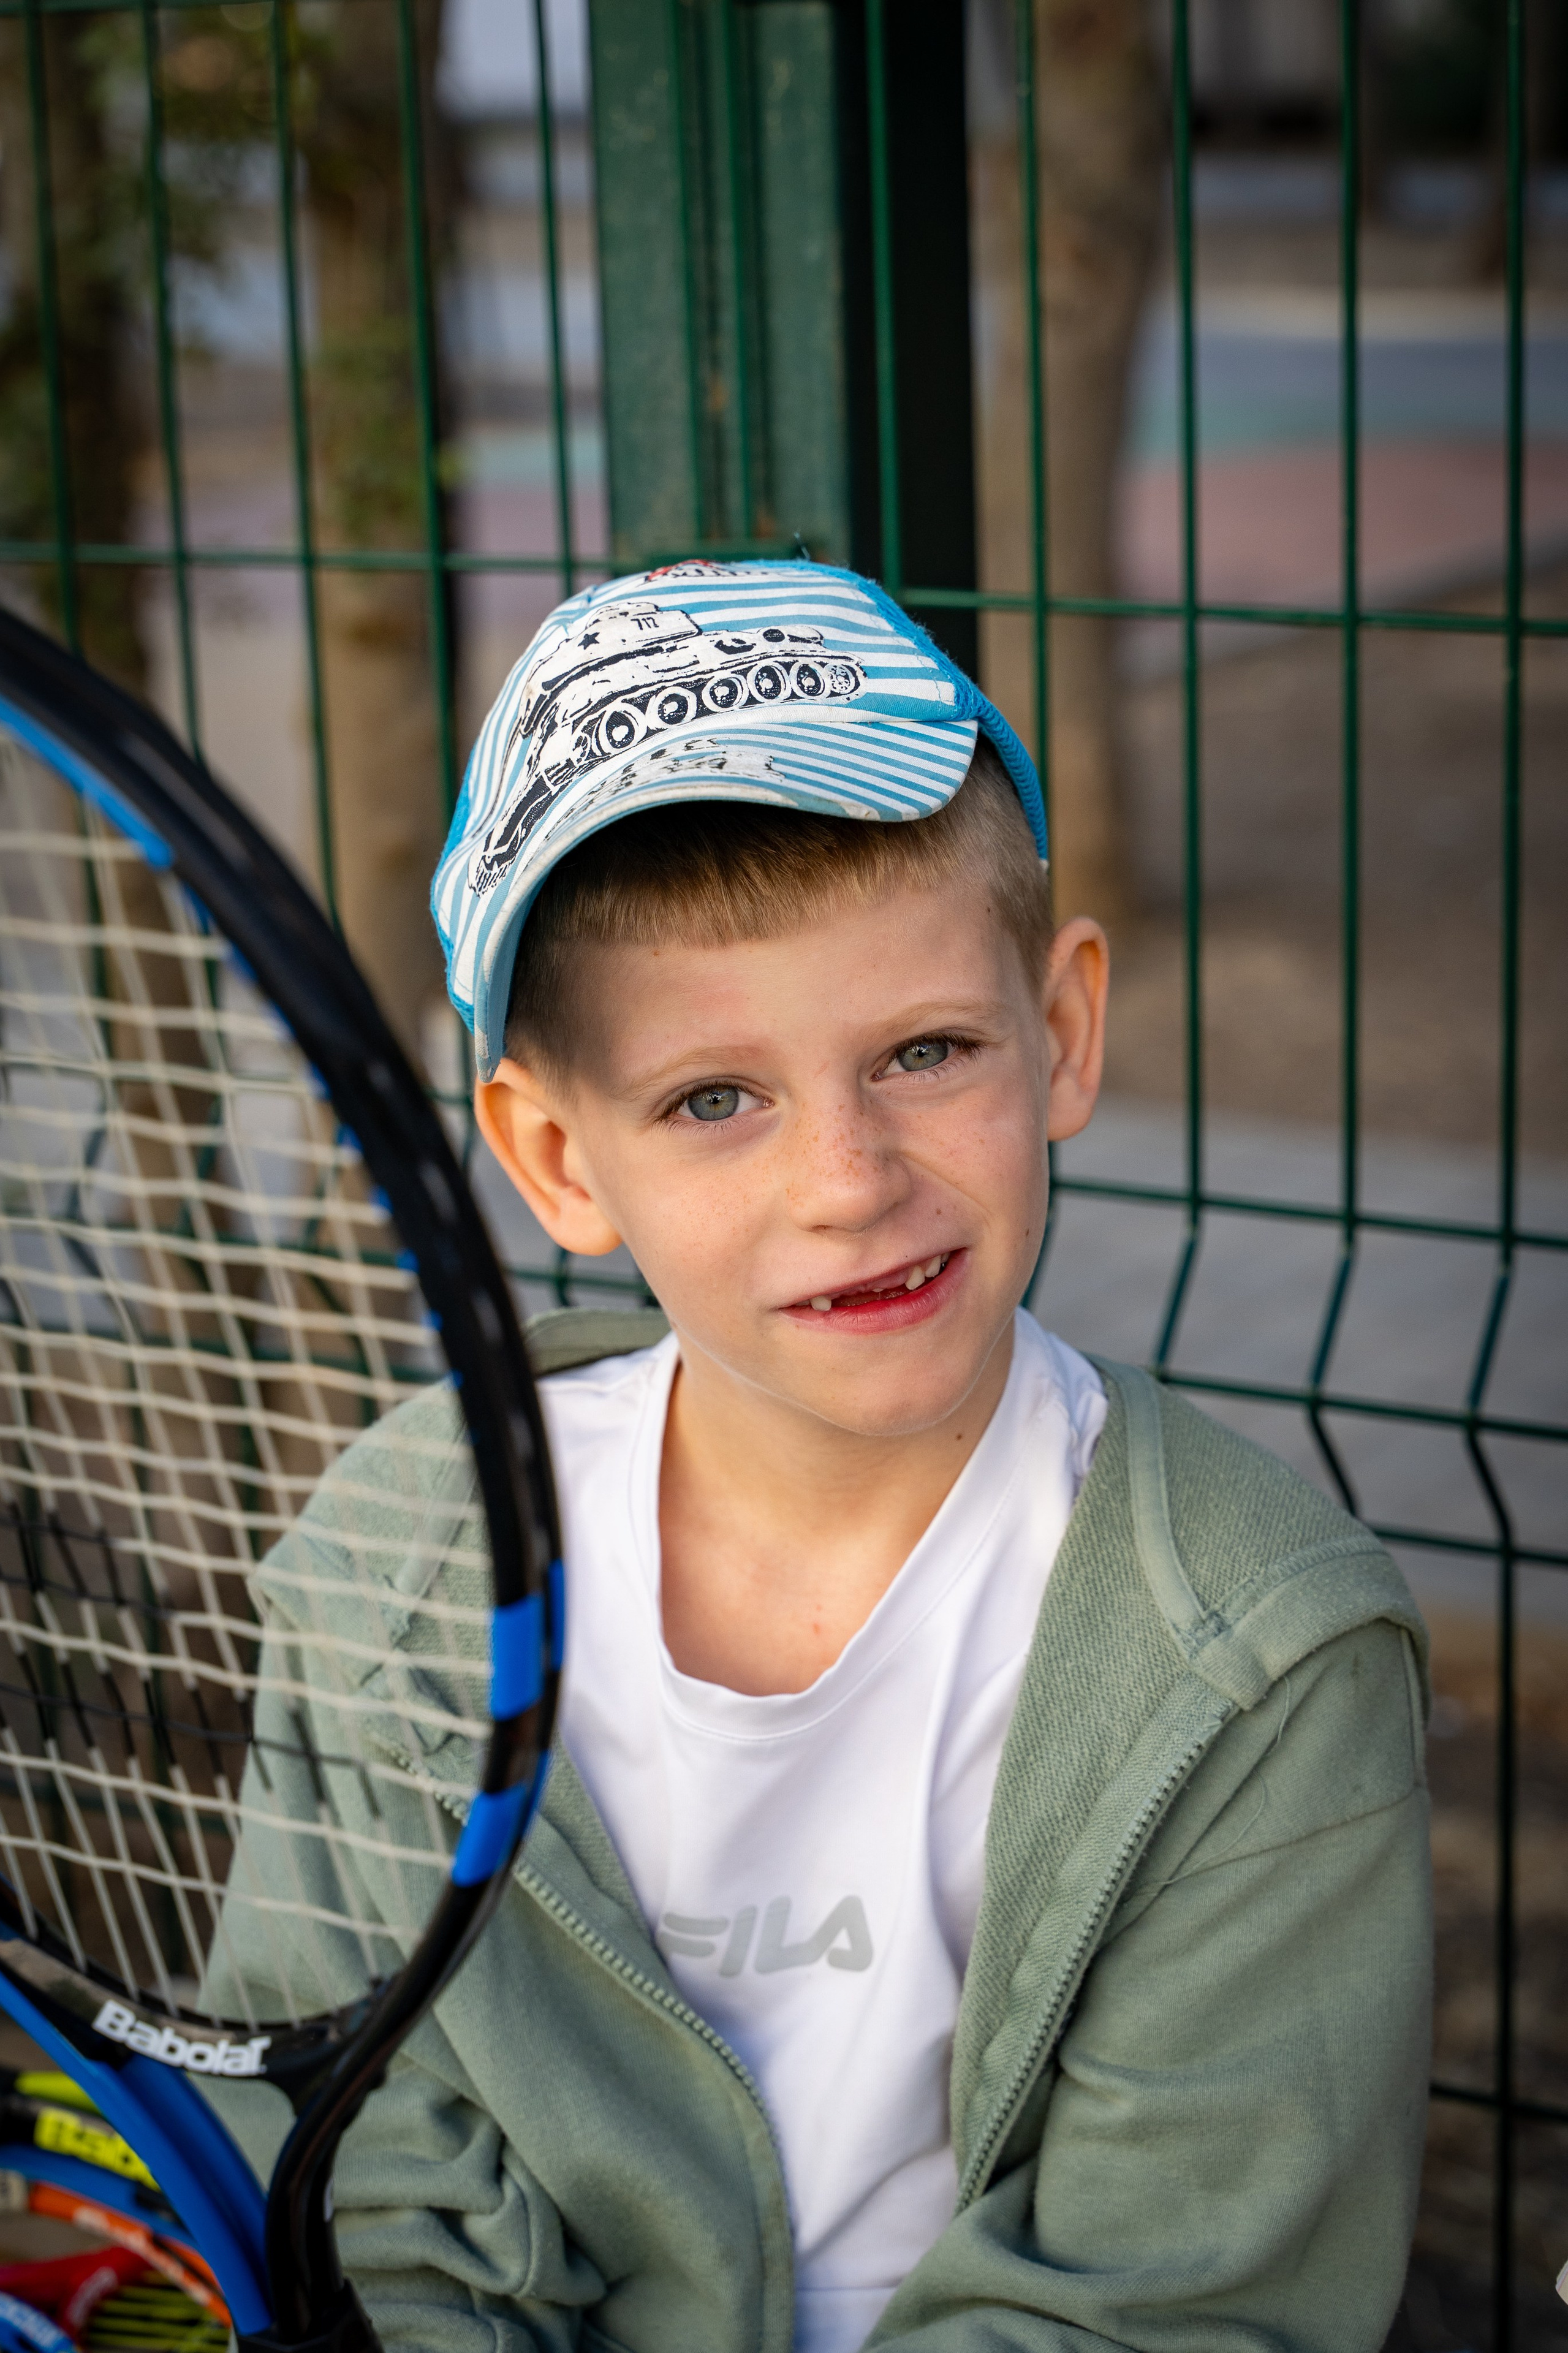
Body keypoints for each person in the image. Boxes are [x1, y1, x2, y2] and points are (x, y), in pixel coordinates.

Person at [236, 562, 1433, 2353]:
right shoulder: (400, 1567)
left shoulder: (1265, 1666)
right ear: (556, 1160)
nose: (848, 1180)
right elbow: (367, 2190)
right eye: (715, 1099)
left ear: (1065, 1032)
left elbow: (1170, 2303)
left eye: (925, 1052)